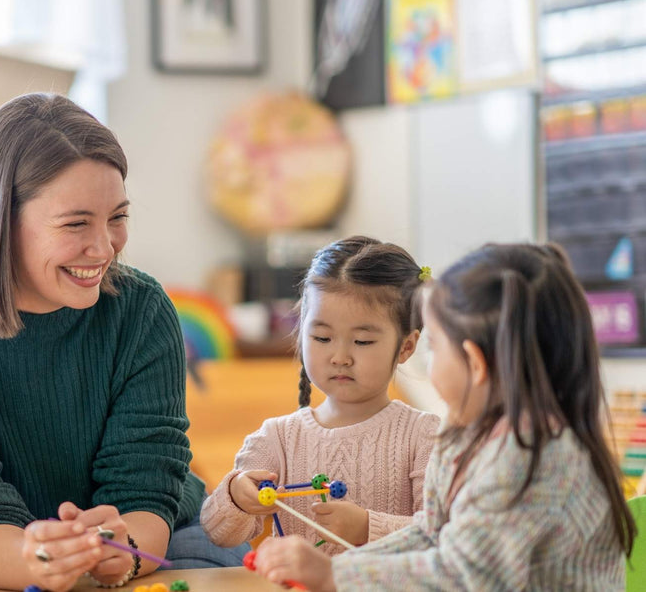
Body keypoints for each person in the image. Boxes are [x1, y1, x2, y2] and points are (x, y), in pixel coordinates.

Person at [0, 92, 246, 592]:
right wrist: (42, 561)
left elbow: (147, 492)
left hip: (168, 545)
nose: (105, 246)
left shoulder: (141, 309)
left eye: (117, 217)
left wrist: (123, 551)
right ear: (0, 222)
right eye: (76, 223)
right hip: (2, 568)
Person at [251, 243, 636, 590]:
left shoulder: (534, 456)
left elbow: (465, 577)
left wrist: (336, 576)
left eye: (434, 345)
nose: (426, 360)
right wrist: (339, 570)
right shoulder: (467, 437)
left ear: (474, 363)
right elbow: (433, 534)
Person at [200, 236, 439, 553]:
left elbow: (444, 534)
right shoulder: (277, 438)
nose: (340, 356)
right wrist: (236, 496)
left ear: (406, 347)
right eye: (322, 337)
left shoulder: (424, 436)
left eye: (363, 341)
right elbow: (220, 534)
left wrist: (367, 527)